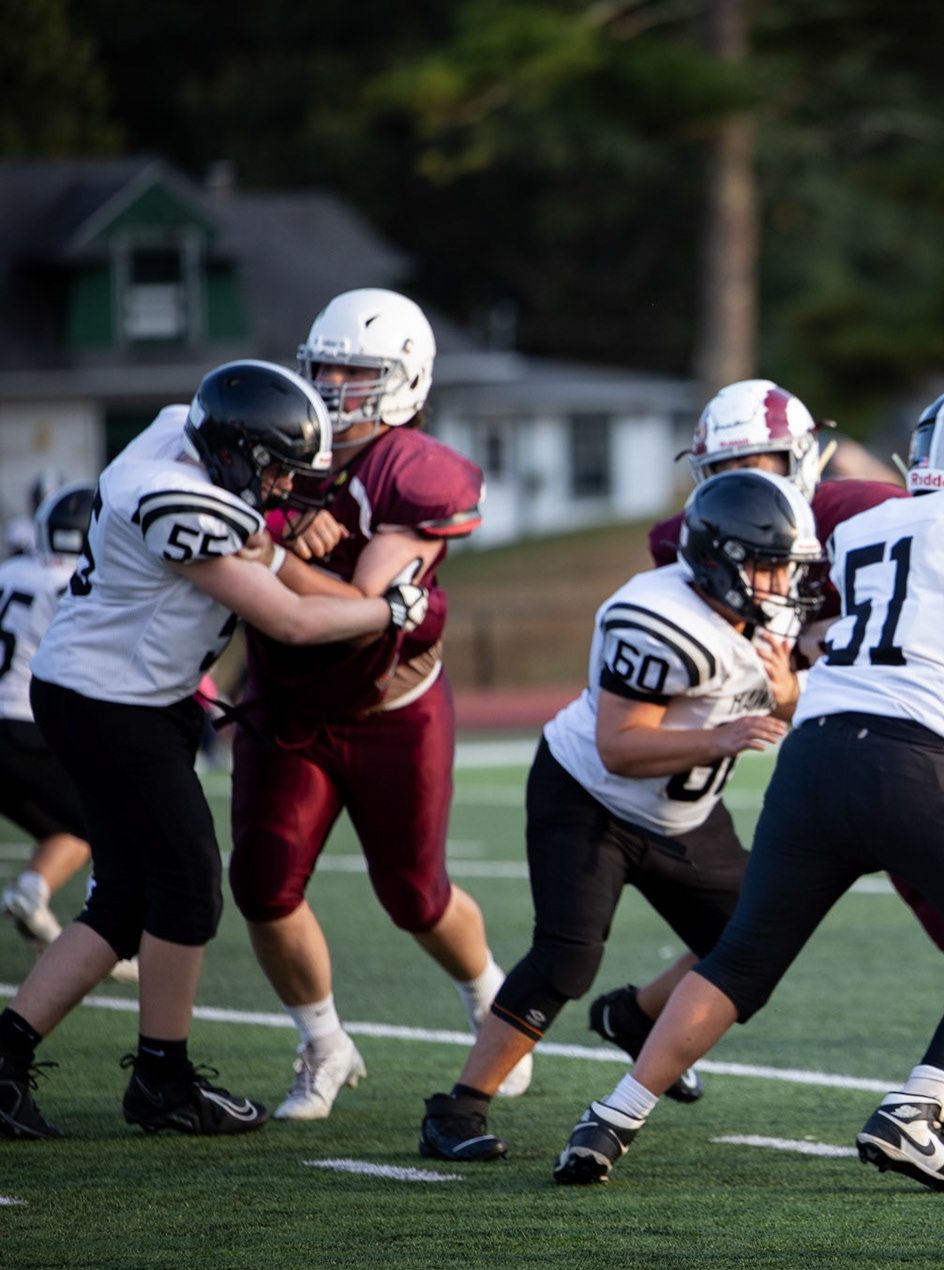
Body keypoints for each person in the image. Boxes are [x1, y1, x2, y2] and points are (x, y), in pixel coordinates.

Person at [547, 396, 944, 1193]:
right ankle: (919, 1110)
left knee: (740, 958)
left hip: (814, 747)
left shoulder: (870, 520)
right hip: (911, 760)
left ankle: (612, 1114)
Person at [0, 360, 427, 1139]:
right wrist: (385, 609)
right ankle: (163, 1078)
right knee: (189, 887)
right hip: (112, 704)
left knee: (124, 899)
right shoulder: (180, 500)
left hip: (111, 692)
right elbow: (288, 618)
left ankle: (5, 1059)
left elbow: (260, 538)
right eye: (276, 471)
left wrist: (281, 535)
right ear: (234, 453)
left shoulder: (178, 429)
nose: (286, 490)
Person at [418, 469, 817, 1161]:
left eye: (785, 565)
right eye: (766, 564)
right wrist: (719, 737)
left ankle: (634, 1015)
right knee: (568, 955)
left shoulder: (757, 614)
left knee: (753, 939)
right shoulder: (654, 616)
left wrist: (782, 695)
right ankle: (457, 1107)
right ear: (720, 559)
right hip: (589, 796)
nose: (781, 581)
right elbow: (619, 745)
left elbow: (784, 700)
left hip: (684, 814)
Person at [219, 289, 519, 1122]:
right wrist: (271, 523)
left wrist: (270, 543)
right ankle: (322, 1041)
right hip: (284, 703)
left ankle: (487, 992)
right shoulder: (270, 439)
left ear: (407, 382)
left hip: (394, 705)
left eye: (359, 369)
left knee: (414, 895)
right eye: (326, 366)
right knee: (263, 880)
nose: (336, 382)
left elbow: (360, 604)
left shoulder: (413, 468)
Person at [585, 378, 908, 1100]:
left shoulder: (864, 509)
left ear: (798, 459)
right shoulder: (686, 537)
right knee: (758, 919)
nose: (737, 487)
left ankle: (635, 1026)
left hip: (886, 724)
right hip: (809, 743)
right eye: (722, 471)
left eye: (754, 465)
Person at [0, 483, 135, 984]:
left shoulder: (8, 571)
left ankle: (32, 889)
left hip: (10, 729)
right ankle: (108, 939)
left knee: (73, 827)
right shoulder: (73, 584)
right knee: (117, 826)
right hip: (26, 729)